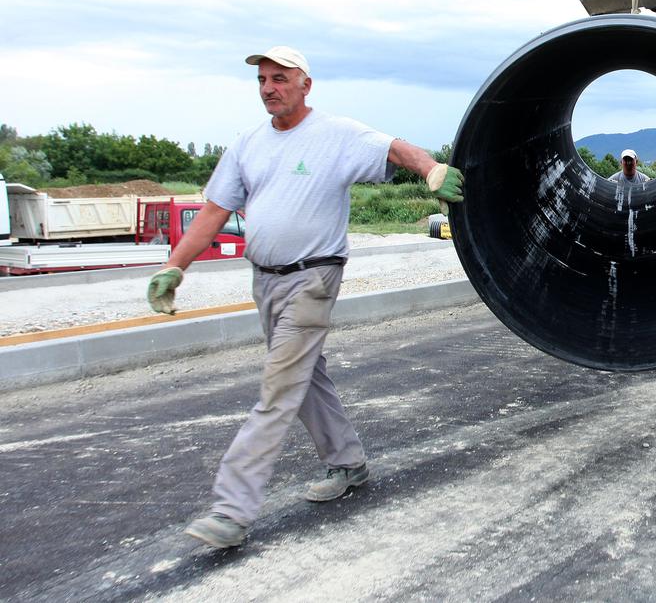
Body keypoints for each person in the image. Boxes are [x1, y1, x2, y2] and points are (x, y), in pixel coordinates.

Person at [145, 46, 463, 549]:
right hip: (265, 281)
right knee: (304, 376)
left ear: (305, 84)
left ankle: (231, 509)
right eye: (262, 80)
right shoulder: (248, 144)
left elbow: (396, 149)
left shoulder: (336, 135)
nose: (269, 88)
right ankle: (348, 464)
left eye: (280, 78)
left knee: (278, 389)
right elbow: (213, 212)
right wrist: (174, 266)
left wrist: (430, 170)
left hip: (313, 278)